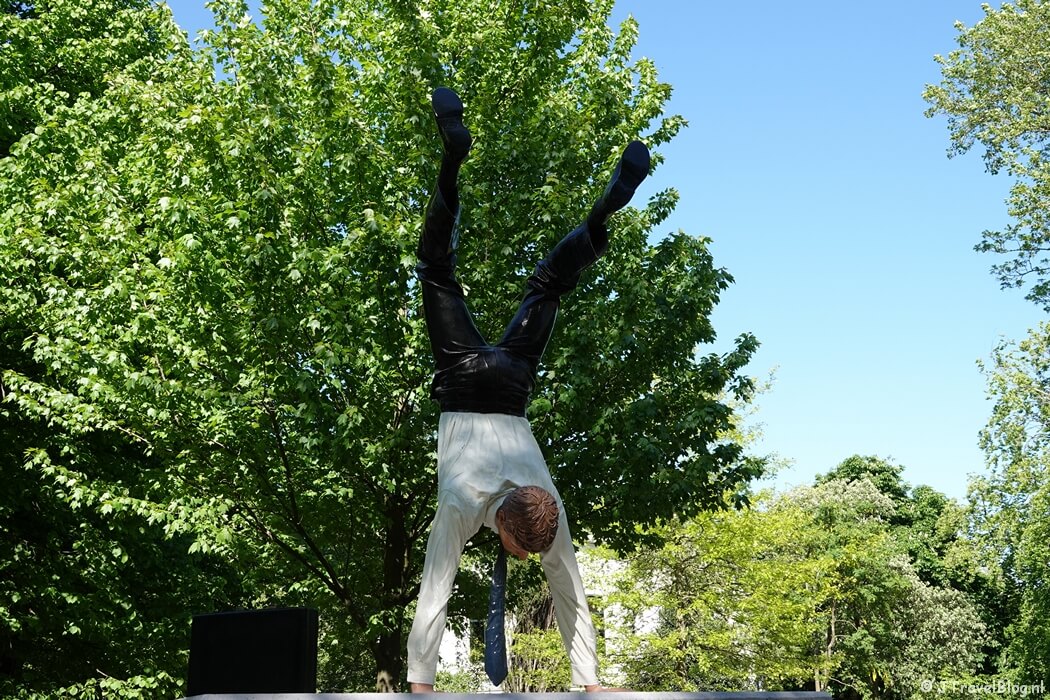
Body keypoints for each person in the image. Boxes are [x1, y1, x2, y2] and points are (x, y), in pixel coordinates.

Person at [406, 86, 649, 693]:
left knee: (546, 287)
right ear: (511, 526)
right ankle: (464, 162)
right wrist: (421, 685)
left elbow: (557, 588)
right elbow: (446, 587)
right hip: (464, 383)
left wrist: (591, 687)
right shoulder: (464, 508)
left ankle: (598, 210)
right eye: (519, 550)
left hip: (508, 385)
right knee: (437, 271)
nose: (522, 556)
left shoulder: (545, 509)